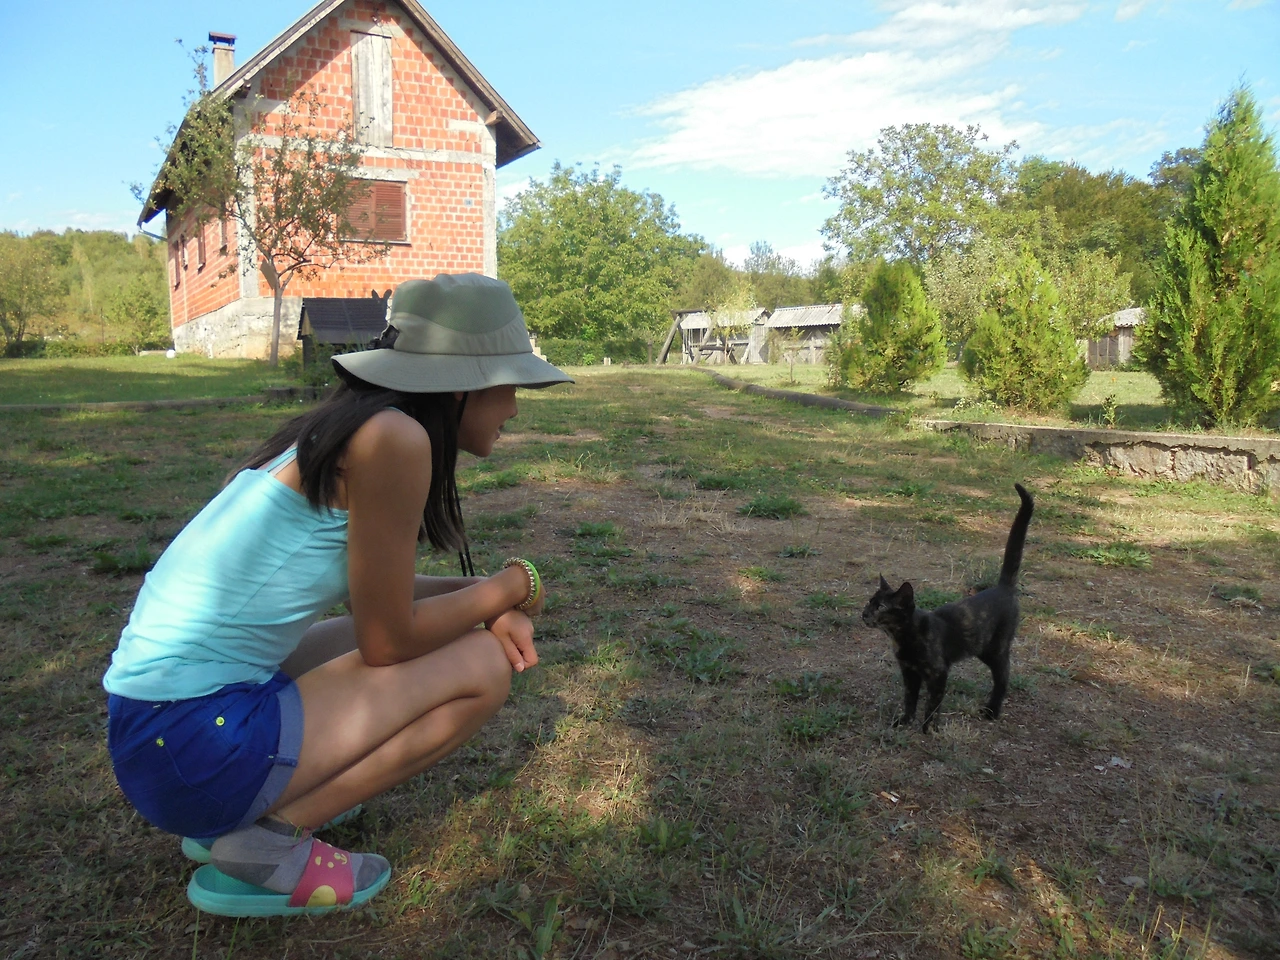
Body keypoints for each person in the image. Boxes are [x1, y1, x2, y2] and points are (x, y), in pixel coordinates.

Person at [102, 274, 572, 917]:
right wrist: (513, 584)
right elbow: (389, 641)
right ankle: (266, 842)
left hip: (157, 741)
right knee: (483, 668)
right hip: (197, 744)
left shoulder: (349, 429)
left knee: (459, 637)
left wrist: (492, 600)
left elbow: (377, 601)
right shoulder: (395, 441)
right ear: (465, 382)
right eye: (511, 386)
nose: (515, 407)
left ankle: (245, 811)